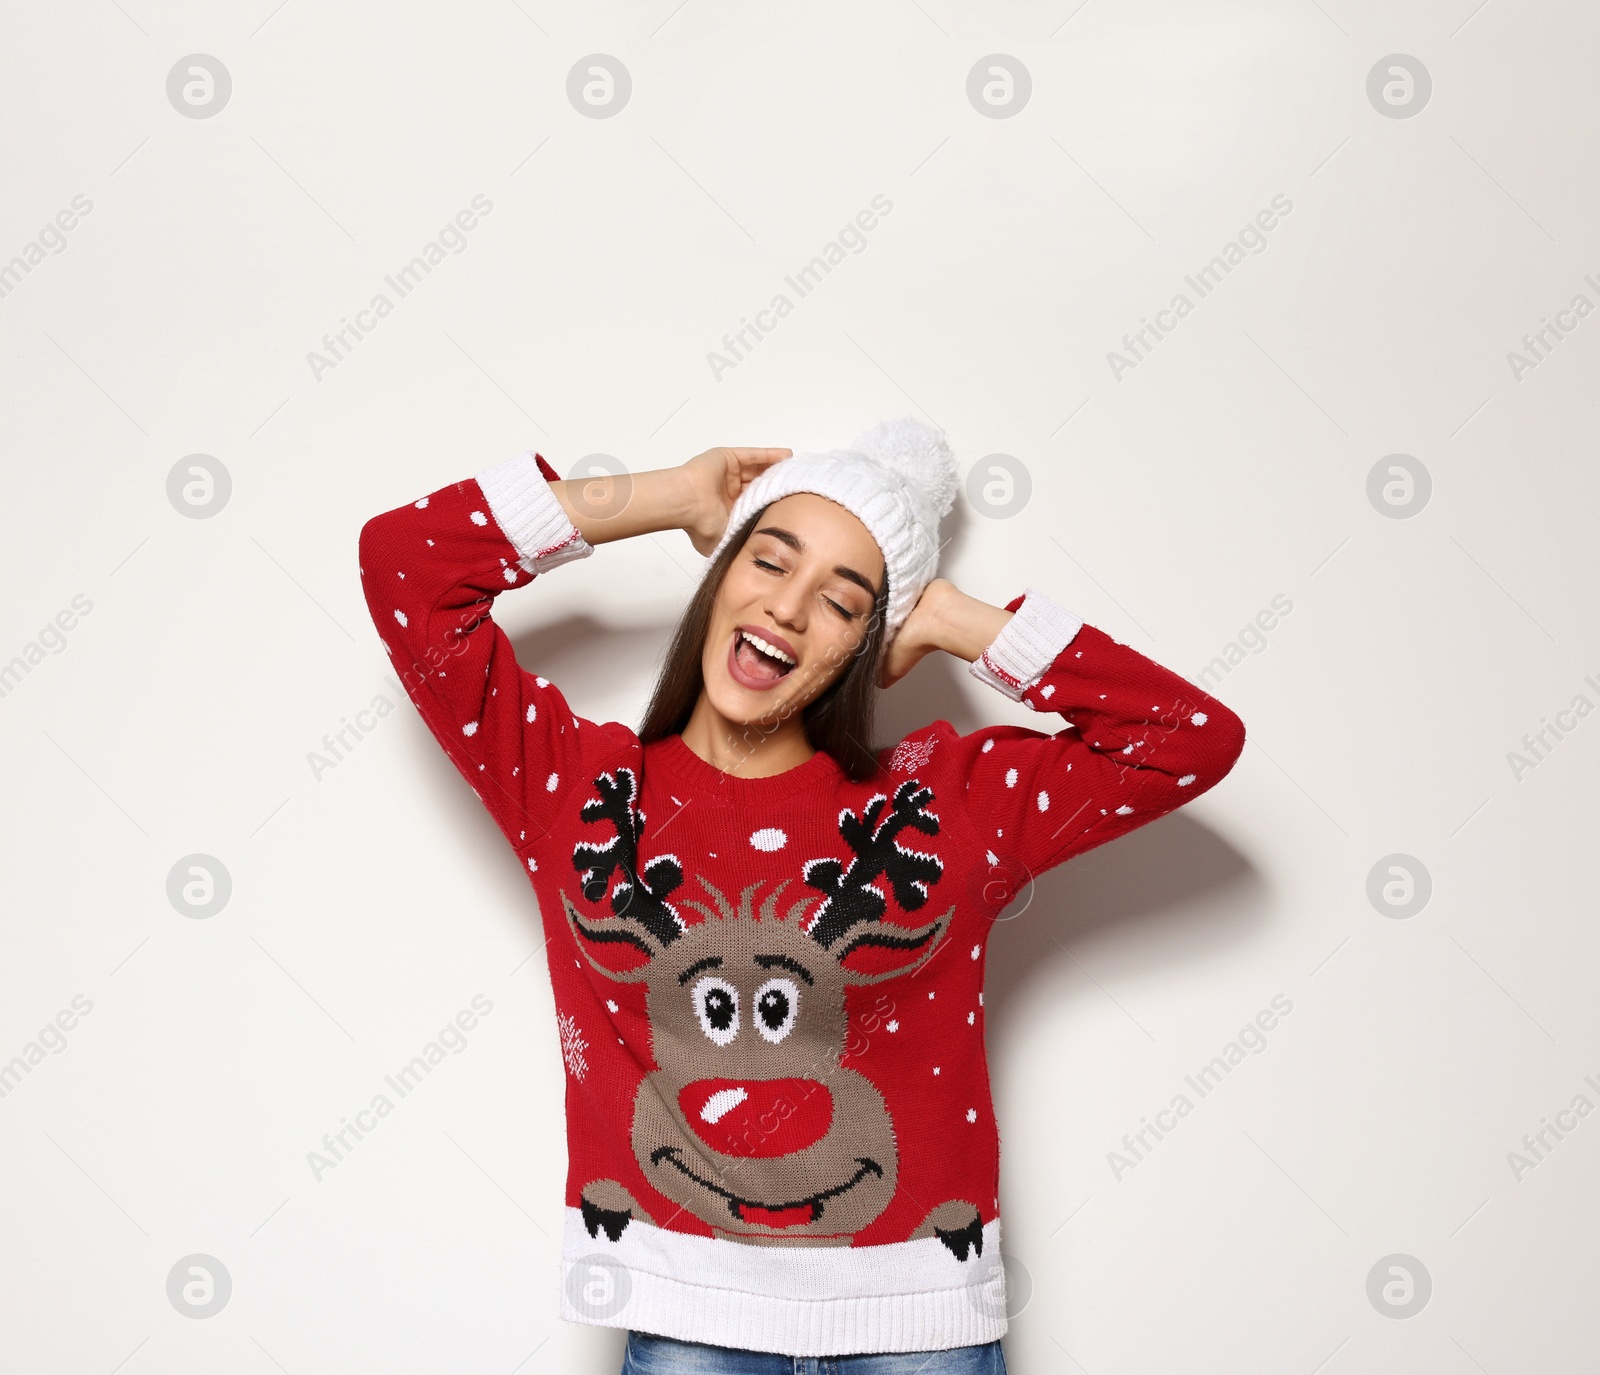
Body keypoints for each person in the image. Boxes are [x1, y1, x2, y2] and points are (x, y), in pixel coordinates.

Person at [357, 418, 1246, 1372]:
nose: (787, 608)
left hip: (922, 1329)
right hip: (687, 1317)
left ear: (870, 640)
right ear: (722, 576)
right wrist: (673, 498)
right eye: (769, 561)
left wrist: (955, 621)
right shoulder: (578, 787)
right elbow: (403, 562)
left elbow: (1192, 737)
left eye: (843, 600)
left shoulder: (940, 802)